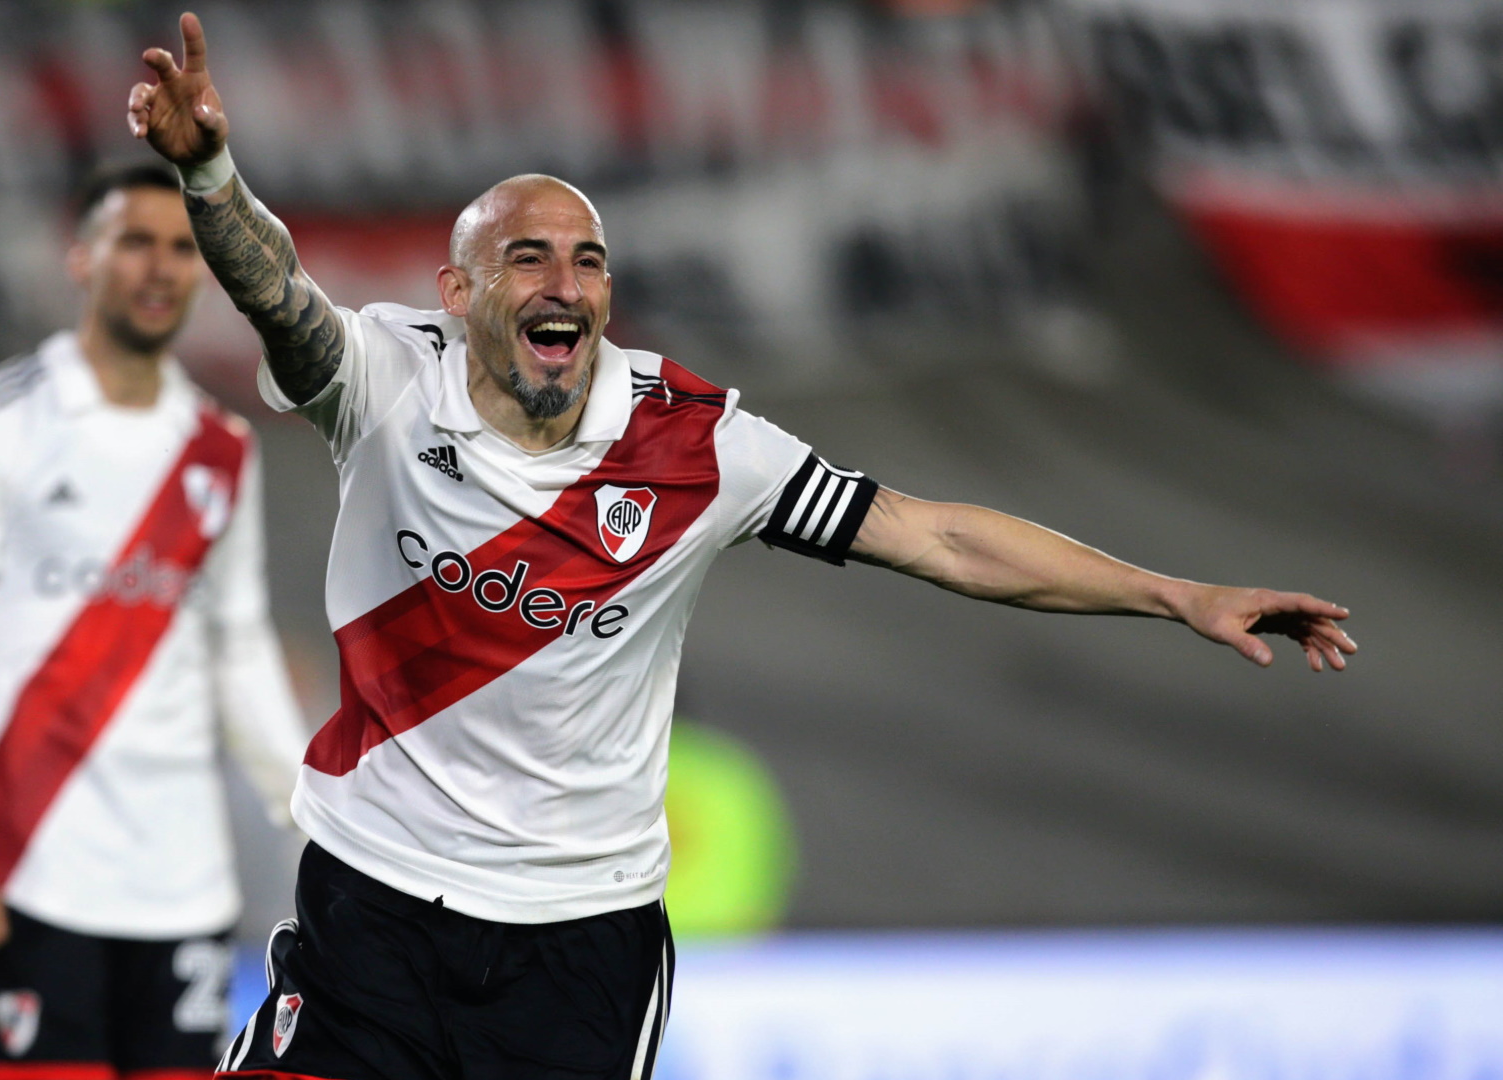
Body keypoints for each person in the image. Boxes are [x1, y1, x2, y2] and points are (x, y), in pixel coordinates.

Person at [127, 15, 1358, 1080]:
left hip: (578, 939)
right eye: (528, 256)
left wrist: (1174, 592)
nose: (566, 280)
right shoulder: (386, 381)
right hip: (375, 900)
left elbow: (936, 537)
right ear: (458, 292)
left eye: (590, 259)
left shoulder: (700, 445)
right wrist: (210, 175)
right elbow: (279, 297)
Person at [0, 162, 309, 1080]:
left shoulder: (221, 448)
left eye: (179, 248)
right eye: (135, 243)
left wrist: (308, 813)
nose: (159, 269)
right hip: (33, 867)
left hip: (184, 879)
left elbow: (238, 645)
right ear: (80, 259)